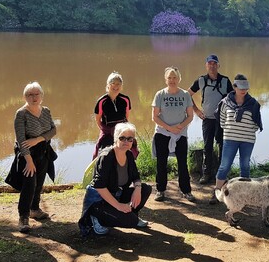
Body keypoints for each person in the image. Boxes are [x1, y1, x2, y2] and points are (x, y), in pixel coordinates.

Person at [78, 122, 152, 236]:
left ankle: (131, 215)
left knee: (145, 189)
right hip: (99, 200)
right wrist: (118, 206)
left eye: (130, 139)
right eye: (122, 138)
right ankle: (96, 217)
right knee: (131, 222)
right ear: (115, 138)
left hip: (116, 194)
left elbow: (136, 176)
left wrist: (137, 189)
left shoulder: (129, 155)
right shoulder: (106, 156)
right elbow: (99, 186)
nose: (126, 142)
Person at [13, 82, 57, 233]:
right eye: (30, 95)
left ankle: (35, 209)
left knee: (39, 183)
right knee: (29, 185)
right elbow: (20, 140)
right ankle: (23, 217)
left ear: (41, 96)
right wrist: (29, 161)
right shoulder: (21, 114)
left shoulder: (46, 111)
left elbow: (53, 131)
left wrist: (38, 139)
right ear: (25, 97)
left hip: (43, 151)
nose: (33, 97)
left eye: (36, 94)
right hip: (28, 154)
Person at [213, 74, 262, 203]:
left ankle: (244, 195)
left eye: (246, 87)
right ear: (234, 87)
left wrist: (246, 132)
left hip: (247, 140)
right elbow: (222, 120)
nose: (243, 90)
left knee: (245, 166)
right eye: (241, 87)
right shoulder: (225, 102)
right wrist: (232, 130)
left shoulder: (253, 104)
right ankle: (217, 192)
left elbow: (256, 124)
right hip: (230, 139)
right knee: (224, 166)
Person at [188, 54, 233, 185]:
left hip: (222, 120)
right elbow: (187, 95)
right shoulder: (201, 80)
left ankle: (221, 174)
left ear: (218, 65)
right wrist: (196, 110)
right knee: (207, 146)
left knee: (222, 146)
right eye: (210, 64)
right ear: (206, 66)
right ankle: (206, 174)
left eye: (214, 64)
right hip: (207, 118)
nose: (212, 66)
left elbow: (233, 99)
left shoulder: (225, 81)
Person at [152, 66, 195, 202]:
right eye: (169, 78)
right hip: (163, 133)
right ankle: (160, 190)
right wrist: (169, 128)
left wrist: (180, 127)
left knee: (183, 163)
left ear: (179, 79)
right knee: (161, 163)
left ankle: (186, 191)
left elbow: (190, 116)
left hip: (180, 134)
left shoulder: (185, 95)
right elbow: (155, 117)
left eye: (174, 77)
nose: (172, 80)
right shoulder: (160, 95)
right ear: (166, 80)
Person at [93, 72, 138, 159]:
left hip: (123, 131)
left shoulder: (125, 99)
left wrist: (123, 130)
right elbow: (98, 120)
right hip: (108, 131)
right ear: (108, 85)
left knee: (130, 152)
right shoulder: (102, 101)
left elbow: (127, 117)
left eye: (118, 84)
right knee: (104, 153)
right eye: (113, 83)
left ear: (121, 86)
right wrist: (106, 130)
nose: (116, 86)